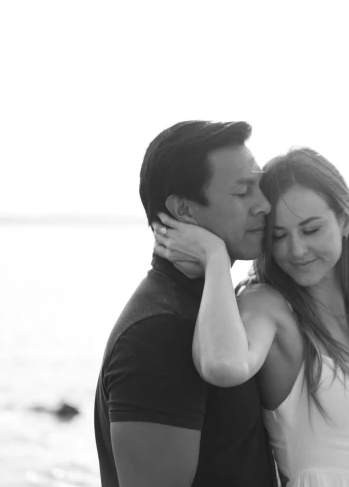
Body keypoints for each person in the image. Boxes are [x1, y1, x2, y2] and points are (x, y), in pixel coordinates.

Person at [153, 147, 349, 487]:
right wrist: (215, 257)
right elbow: (223, 365)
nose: (296, 250)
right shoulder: (268, 306)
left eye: (311, 229)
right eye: (279, 236)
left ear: (345, 219)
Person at [94, 120, 278, 487]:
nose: (264, 205)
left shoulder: (218, 307)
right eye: (243, 192)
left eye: (261, 187)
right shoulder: (158, 333)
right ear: (185, 211)